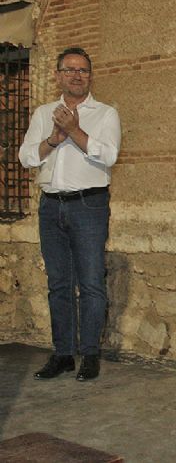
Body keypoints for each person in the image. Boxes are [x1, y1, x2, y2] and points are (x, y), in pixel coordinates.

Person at [19, 47, 121, 381]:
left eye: (83, 70)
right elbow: (27, 158)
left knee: (91, 283)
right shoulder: (43, 113)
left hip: (88, 205)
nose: (77, 75)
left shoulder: (106, 113)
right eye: (70, 69)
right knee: (58, 284)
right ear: (58, 75)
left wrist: (75, 132)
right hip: (50, 205)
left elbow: (108, 156)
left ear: (90, 76)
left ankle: (89, 354)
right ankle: (63, 354)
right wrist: (54, 138)